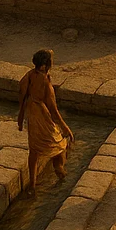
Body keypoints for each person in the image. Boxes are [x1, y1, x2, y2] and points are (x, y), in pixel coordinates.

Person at [17, 49, 73, 198]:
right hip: (42, 116)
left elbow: (22, 96)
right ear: (45, 65)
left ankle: (32, 185)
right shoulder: (46, 83)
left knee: (34, 150)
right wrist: (65, 127)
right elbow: (53, 110)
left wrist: (20, 119)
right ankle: (60, 171)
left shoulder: (29, 75)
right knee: (59, 144)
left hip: (32, 114)